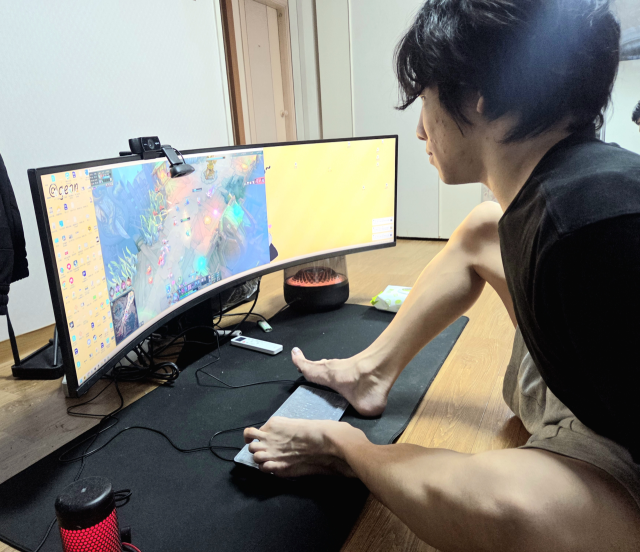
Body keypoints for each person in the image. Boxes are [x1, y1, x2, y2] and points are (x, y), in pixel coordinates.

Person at [244, 1, 640, 550]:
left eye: (425, 97)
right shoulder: (561, 190)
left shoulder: (595, 234)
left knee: (518, 512)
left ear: (481, 94)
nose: (419, 128)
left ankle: (347, 451)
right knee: (483, 227)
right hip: (592, 391)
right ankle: (370, 372)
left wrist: (353, 449)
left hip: (619, 450)